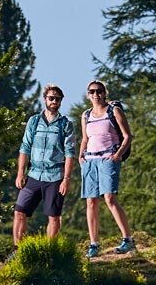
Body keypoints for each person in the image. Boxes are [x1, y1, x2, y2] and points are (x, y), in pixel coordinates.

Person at [78, 79, 136, 257]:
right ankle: (94, 244)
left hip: (108, 158)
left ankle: (128, 239)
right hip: (90, 160)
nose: (96, 94)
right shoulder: (85, 115)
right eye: (92, 91)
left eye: (99, 91)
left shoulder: (114, 111)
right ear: (88, 95)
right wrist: (81, 155)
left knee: (110, 198)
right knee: (91, 202)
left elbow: (127, 136)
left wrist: (118, 155)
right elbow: (85, 139)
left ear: (105, 93)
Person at [12, 84, 76, 243]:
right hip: (33, 175)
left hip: (55, 177)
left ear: (61, 101)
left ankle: (49, 250)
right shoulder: (33, 121)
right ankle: (18, 250)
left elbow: (69, 153)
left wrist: (66, 180)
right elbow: (25, 147)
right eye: (51, 98)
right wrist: (20, 173)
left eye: (57, 99)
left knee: (53, 216)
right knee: (19, 211)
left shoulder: (65, 124)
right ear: (45, 99)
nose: (54, 101)